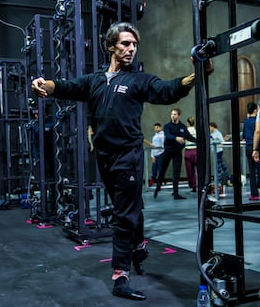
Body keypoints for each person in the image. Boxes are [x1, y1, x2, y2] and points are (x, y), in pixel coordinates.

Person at [31, 22, 214, 301]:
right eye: (125, 44)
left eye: (134, 45)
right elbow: (67, 87)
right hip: (104, 156)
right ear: (111, 47)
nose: (131, 49)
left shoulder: (138, 81)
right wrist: (45, 85)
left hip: (128, 156)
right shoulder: (95, 81)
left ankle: (120, 275)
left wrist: (196, 75)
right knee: (127, 207)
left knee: (123, 214)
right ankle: (138, 246)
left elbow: (167, 90)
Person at [153, 108, 197, 200]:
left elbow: (189, 137)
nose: (173, 116)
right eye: (172, 114)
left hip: (177, 152)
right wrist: (176, 138)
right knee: (162, 171)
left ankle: (176, 194)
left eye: (175, 114)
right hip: (168, 152)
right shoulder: (167, 126)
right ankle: (157, 188)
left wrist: (200, 141)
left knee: (176, 173)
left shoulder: (183, 127)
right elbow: (168, 135)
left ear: (179, 116)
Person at [242, 102, 260, 200]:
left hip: (248, 147)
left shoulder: (246, 121)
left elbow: (244, 135)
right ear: (256, 110)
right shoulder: (258, 121)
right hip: (257, 147)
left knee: (252, 172)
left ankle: (254, 195)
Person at [209, 122, 232, 187]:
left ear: (213, 127)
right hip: (216, 151)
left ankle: (219, 181)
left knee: (218, 166)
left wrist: (219, 144)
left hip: (218, 152)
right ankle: (228, 177)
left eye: (210, 127)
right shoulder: (212, 133)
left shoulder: (217, 133)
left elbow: (222, 141)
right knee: (222, 165)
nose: (209, 128)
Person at [148, 122, 165, 187]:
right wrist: (153, 156)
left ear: (160, 127)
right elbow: (153, 146)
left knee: (160, 169)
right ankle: (152, 181)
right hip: (155, 155)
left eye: (157, 127)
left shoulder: (163, 135)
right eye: (155, 128)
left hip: (161, 154)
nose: (156, 129)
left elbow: (163, 145)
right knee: (154, 169)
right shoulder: (154, 137)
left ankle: (159, 183)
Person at [184, 116, 197, 192]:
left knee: (190, 170)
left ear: (188, 123)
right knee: (199, 169)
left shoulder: (186, 130)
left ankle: (193, 186)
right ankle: (201, 184)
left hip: (188, 151)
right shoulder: (196, 130)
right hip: (196, 150)